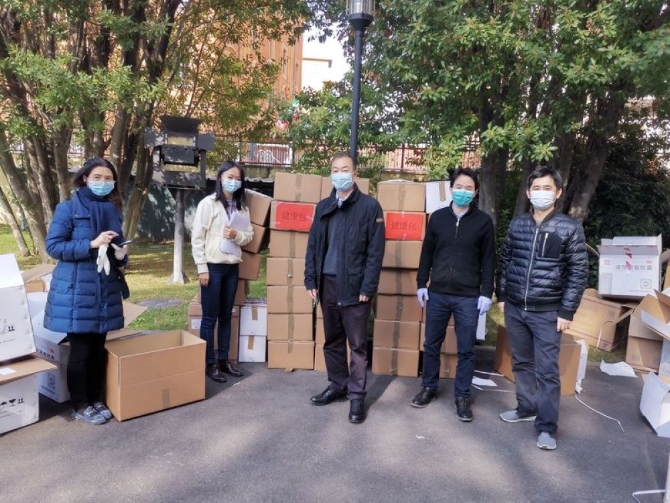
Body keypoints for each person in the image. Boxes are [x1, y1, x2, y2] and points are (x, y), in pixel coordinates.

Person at [496, 165, 588, 451]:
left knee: (547, 371)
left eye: (547, 188)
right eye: (536, 188)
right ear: (528, 193)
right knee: (522, 362)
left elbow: (578, 273)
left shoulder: (569, 228)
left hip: (548, 312)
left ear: (557, 193)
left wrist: (567, 311)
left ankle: (546, 426)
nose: (541, 193)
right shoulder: (518, 225)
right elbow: (506, 260)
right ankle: (526, 407)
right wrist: (502, 294)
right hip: (516, 307)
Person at [44, 158, 129, 425]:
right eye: (97, 177)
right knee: (81, 351)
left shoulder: (112, 211)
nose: (103, 183)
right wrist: (92, 243)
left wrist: (121, 254)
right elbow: (54, 247)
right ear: (85, 178)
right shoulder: (68, 209)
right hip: (77, 290)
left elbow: (116, 250)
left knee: (98, 349)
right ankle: (80, 404)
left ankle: (95, 398)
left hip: (104, 289)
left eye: (108, 178)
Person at [305, 152, 385, 424]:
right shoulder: (324, 207)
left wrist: (368, 287)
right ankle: (338, 385)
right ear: (331, 174)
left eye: (345, 169)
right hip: (326, 283)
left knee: (358, 345)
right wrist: (310, 279)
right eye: (335, 170)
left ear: (355, 174)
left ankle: (357, 396)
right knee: (332, 340)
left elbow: (375, 252)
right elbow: (313, 245)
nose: (340, 174)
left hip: (354, 286)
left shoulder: (370, 207)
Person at [412, 168, 495, 421]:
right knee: (431, 344)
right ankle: (429, 387)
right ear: (451, 189)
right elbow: (427, 252)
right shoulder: (438, 218)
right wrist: (421, 282)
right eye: (459, 187)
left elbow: (489, 259)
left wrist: (486, 292)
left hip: (468, 297)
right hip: (437, 293)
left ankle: (462, 396)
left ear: (475, 192)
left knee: (467, 349)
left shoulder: (483, 222)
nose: (463, 191)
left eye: (468, 188)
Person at [191, 160, 253, 383]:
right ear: (220, 178)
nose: (234, 181)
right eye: (230, 177)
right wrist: (202, 268)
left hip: (232, 267)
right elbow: (197, 238)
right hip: (213, 267)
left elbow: (249, 236)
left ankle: (224, 360)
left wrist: (236, 235)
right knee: (210, 317)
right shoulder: (208, 204)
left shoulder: (242, 207)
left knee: (226, 315)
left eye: (238, 178)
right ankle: (209, 363)